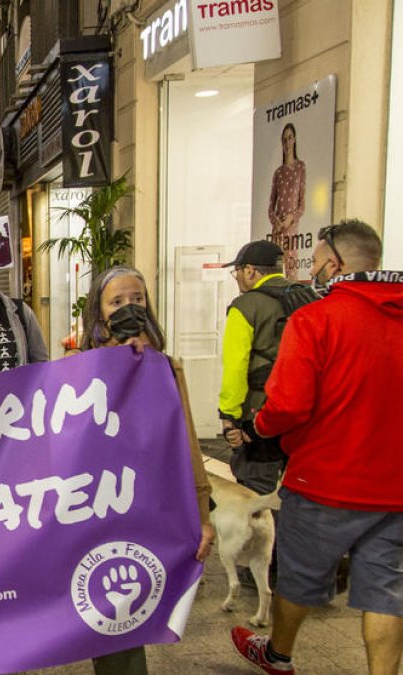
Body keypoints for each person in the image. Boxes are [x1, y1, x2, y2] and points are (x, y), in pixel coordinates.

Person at [232, 220, 402, 675]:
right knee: (387, 591)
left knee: (298, 580)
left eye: (317, 262)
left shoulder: (316, 319)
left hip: (325, 482)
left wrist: (260, 425)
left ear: (335, 263)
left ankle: (278, 654)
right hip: (397, 489)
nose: (314, 271)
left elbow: (287, 405)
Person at [77, 266, 215, 675]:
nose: (128, 308)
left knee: (130, 616)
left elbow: (187, 443)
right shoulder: (80, 366)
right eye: (116, 302)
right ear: (98, 314)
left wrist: (202, 515)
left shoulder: (167, 368)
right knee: (110, 617)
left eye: (136, 299)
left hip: (153, 508)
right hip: (100, 510)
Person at [218, 240, 292, 495]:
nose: (237, 278)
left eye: (237, 271)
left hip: (260, 412)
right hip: (305, 415)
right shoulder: (308, 298)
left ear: (250, 271)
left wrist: (229, 417)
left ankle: (270, 534)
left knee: (257, 490)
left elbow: (236, 367)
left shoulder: (246, 306)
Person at [268, 123, 306, 278]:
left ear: (294, 140)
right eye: (284, 139)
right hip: (278, 230)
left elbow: (302, 203)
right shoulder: (278, 172)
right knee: (275, 272)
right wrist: (276, 222)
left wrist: (291, 218)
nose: (287, 143)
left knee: (291, 272)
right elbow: (271, 205)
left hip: (291, 230)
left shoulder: (300, 168)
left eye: (290, 138)